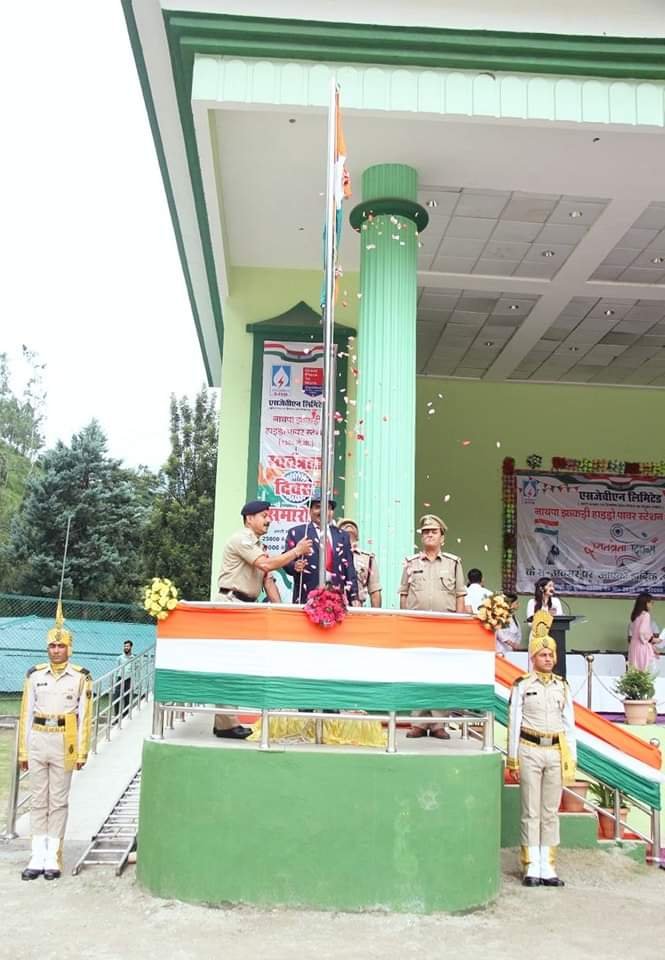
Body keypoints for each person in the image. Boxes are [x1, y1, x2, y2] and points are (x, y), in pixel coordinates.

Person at [214, 498, 313, 739]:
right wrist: (296, 551)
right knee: (229, 665)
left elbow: (268, 580)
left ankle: (225, 722)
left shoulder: (259, 546)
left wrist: (281, 612)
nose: (269, 520)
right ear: (249, 519)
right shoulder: (242, 539)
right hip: (232, 604)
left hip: (246, 607)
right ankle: (226, 724)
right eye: (264, 516)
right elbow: (267, 565)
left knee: (239, 664)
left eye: (269, 516)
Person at [18, 602, 92, 881]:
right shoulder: (34, 675)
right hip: (39, 739)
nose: (56, 650)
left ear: (69, 649)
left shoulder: (81, 677)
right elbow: (26, 714)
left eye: (61, 646)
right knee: (38, 799)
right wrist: (23, 750)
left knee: (58, 801)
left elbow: (85, 716)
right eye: (52, 646)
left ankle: (53, 856)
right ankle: (37, 855)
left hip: (65, 740)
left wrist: (82, 751)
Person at [505, 611, 577, 887]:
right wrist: (512, 758)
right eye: (542, 655)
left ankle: (548, 865)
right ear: (533, 658)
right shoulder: (522, 685)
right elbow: (514, 722)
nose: (548, 659)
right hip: (529, 749)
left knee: (550, 811)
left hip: (555, 751)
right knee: (530, 810)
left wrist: (572, 758)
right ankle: (531, 864)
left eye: (551, 655)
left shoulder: (562, 686)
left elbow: (569, 725)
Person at [400, 514, 469, 740]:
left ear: (442, 537)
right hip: (417, 627)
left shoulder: (453, 563)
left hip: (444, 627)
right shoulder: (411, 563)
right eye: (426, 532)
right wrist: (405, 621)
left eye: (434, 531)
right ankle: (418, 723)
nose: (429, 534)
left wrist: (459, 625)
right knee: (417, 673)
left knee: (441, 673)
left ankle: (439, 723)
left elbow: (460, 595)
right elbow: (404, 594)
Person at [283, 494, 359, 605]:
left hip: (336, 600)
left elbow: (349, 568)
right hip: (307, 599)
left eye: (327, 508)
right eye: (318, 507)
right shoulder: (298, 533)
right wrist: (294, 566)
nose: (323, 511)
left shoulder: (342, 535)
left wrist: (354, 596)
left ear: (332, 512)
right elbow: (285, 561)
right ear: (310, 510)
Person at [338, 518, 382, 607]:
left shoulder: (367, 558)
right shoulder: (331, 556)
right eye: (344, 525)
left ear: (357, 536)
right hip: (336, 607)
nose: (349, 525)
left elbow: (374, 591)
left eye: (353, 525)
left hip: (357, 608)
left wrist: (376, 614)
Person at [628, 592, 659, 670]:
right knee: (646, 672)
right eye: (651, 602)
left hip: (634, 647)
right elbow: (642, 633)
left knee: (635, 672)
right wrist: (653, 639)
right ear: (646, 603)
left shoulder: (635, 616)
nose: (652, 605)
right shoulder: (646, 615)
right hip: (642, 648)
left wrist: (653, 647)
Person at [114, 639, 134, 719]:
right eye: (125, 646)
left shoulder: (133, 658)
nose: (126, 647)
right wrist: (115, 681)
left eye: (127, 646)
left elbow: (135, 669)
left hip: (128, 679)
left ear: (131, 647)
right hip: (120, 678)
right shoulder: (120, 658)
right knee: (116, 699)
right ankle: (117, 717)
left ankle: (125, 717)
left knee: (127, 699)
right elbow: (116, 669)